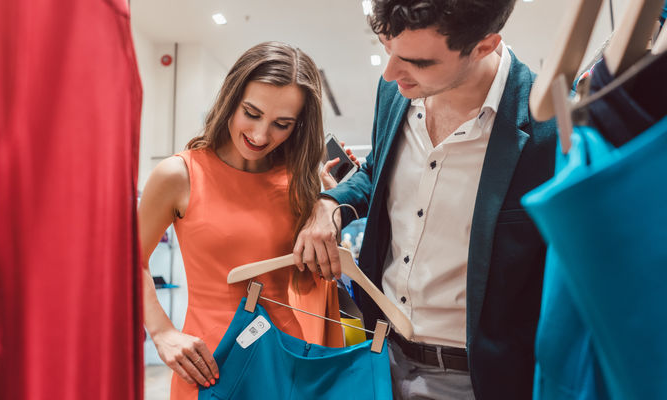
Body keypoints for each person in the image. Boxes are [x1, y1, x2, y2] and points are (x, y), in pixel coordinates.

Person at [294, 1, 557, 399]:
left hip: (475, 380)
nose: (390, 73)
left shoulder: (550, 125)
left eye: (417, 61)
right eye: (387, 48)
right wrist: (331, 203)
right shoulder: (396, 90)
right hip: (376, 356)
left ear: (485, 45)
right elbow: (377, 168)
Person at [138, 41, 327, 400]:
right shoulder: (179, 175)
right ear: (231, 98)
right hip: (207, 363)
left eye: (281, 124)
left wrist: (327, 206)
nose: (260, 135)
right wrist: (162, 332)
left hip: (286, 358)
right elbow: (129, 260)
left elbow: (306, 283)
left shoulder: (299, 182)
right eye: (251, 113)